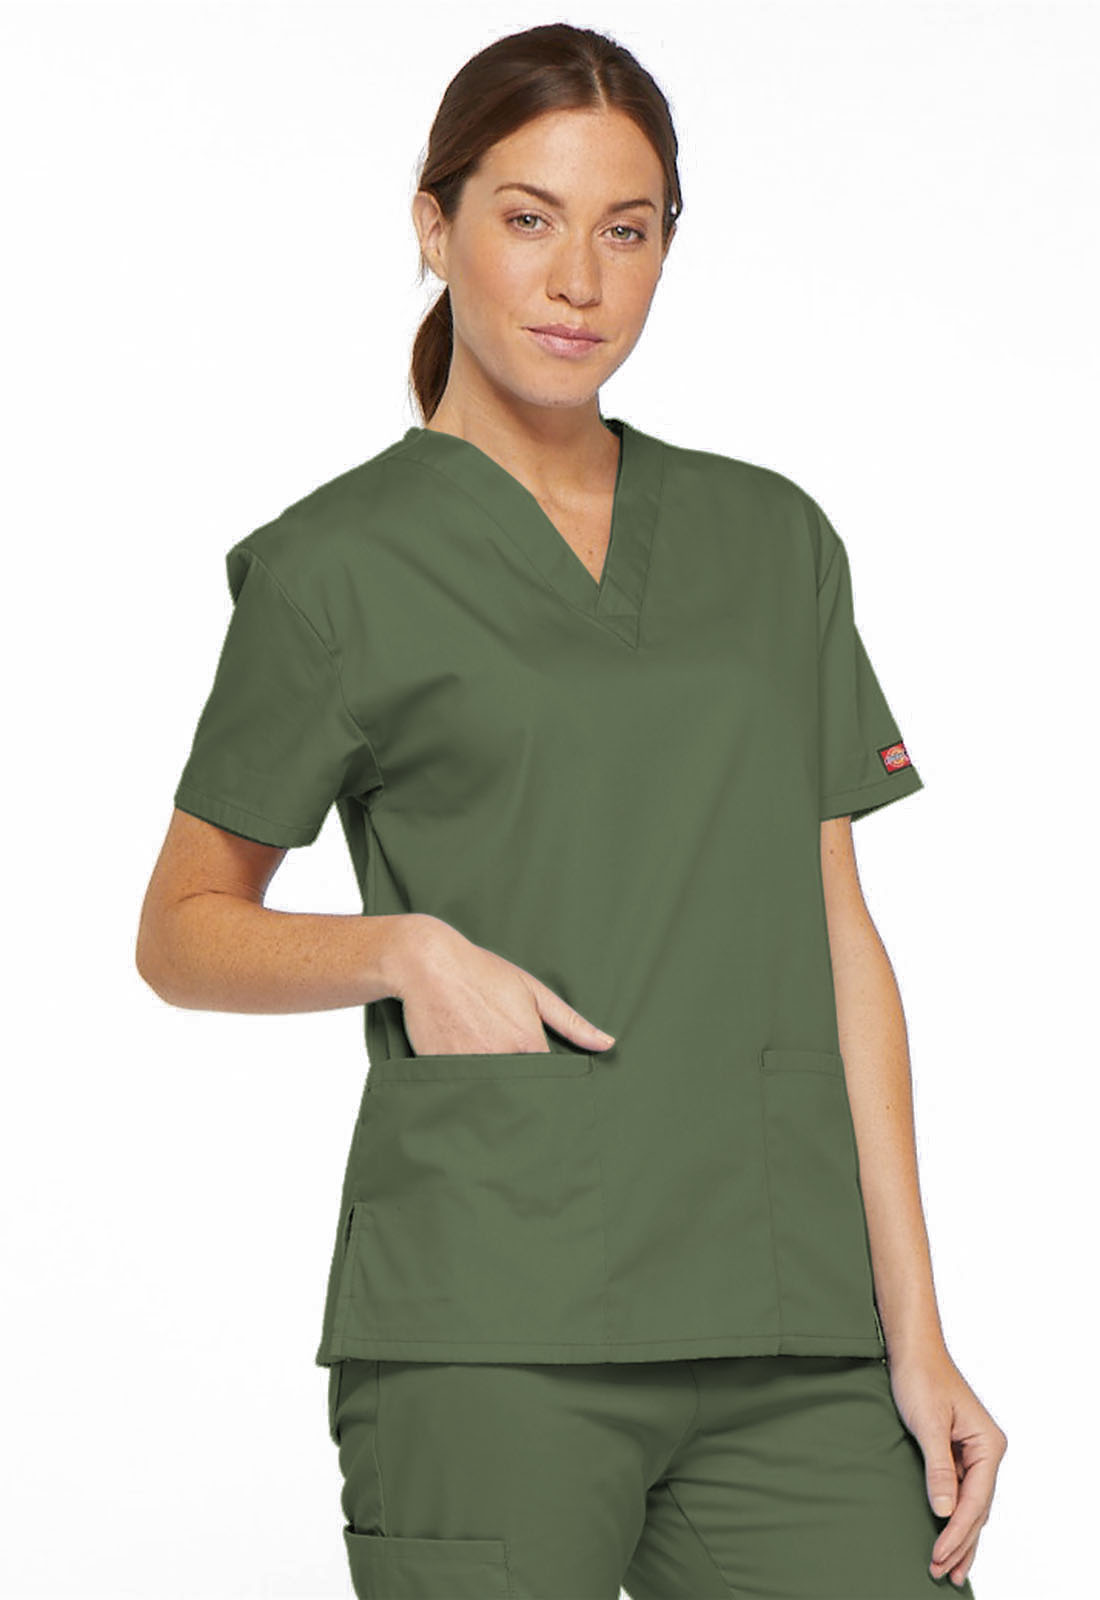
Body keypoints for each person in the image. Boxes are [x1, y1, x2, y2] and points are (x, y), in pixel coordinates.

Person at [136, 21, 1006, 1600]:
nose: (578, 281)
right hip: (491, 1324)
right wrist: (402, 951)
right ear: (435, 226)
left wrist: (917, 1330)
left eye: (628, 230)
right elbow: (181, 932)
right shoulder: (334, 569)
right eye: (528, 218)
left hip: (792, 1327)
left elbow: (839, 937)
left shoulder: (772, 541)